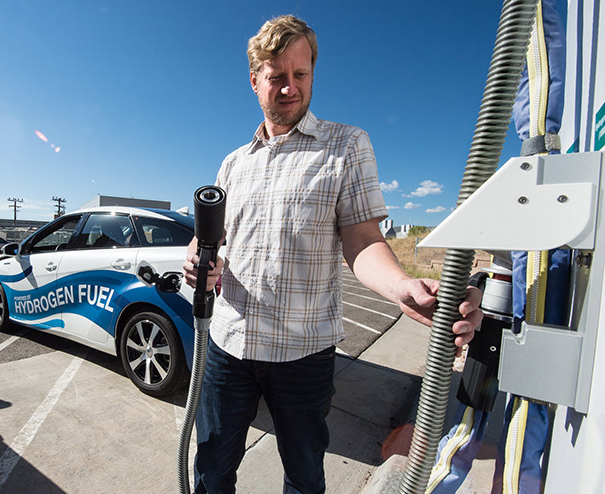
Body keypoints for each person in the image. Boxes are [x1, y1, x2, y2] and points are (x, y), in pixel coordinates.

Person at [182, 15, 483, 494]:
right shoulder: (233, 163)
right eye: (276, 76)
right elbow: (208, 241)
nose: (288, 88)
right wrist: (199, 259)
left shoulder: (346, 145)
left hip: (303, 355)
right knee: (212, 469)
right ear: (254, 79)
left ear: (313, 76)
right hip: (227, 347)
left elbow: (362, 241)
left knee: (304, 476)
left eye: (300, 75)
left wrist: (402, 285)